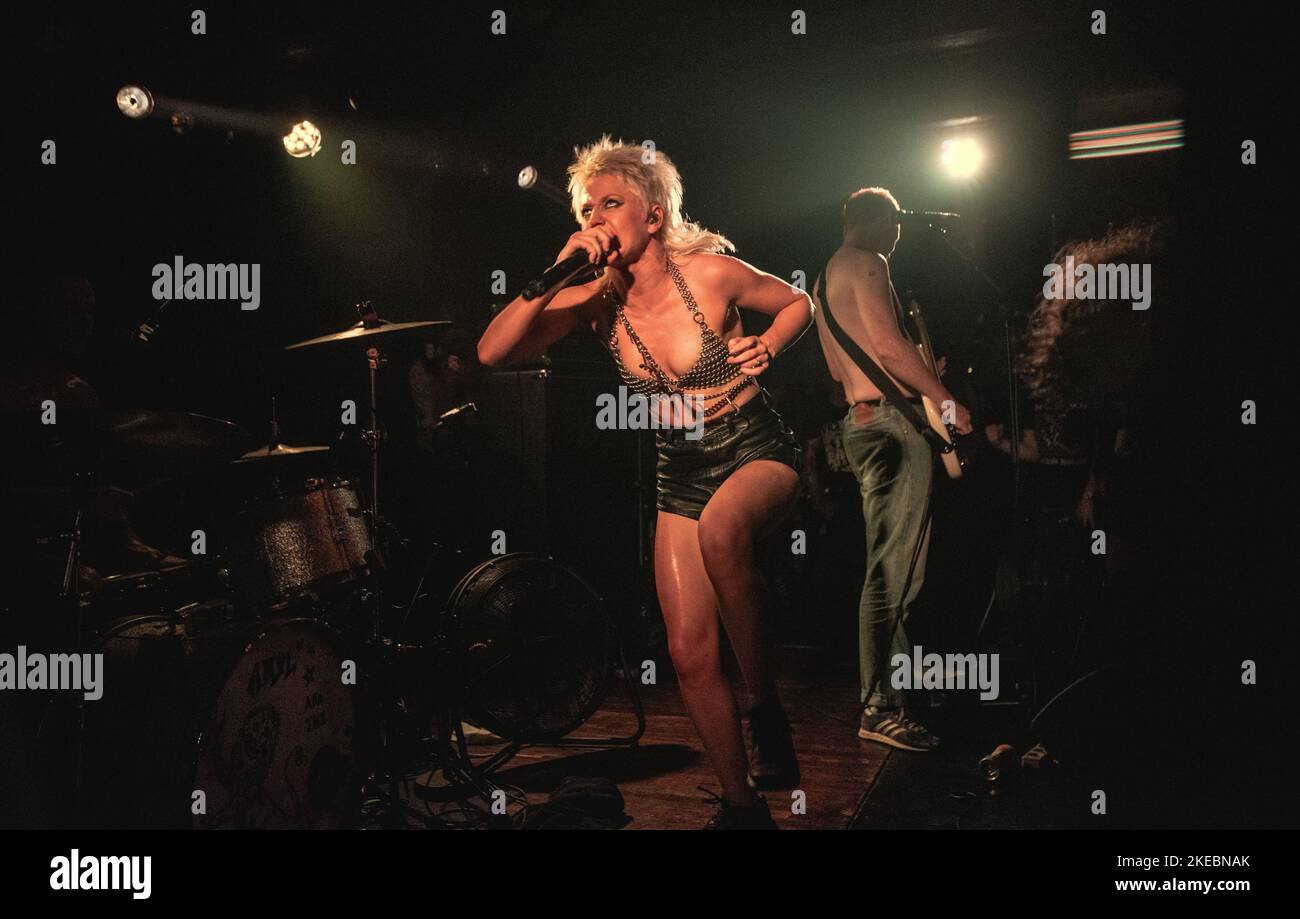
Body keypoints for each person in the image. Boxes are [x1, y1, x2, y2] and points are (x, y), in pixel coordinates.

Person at [478, 136, 812, 828]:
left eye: (612, 203)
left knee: (724, 534)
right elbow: (493, 349)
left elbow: (796, 301)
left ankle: (763, 705)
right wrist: (555, 271)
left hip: (754, 444)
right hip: (680, 466)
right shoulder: (596, 300)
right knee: (688, 651)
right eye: (586, 208)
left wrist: (770, 344)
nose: (597, 217)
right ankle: (741, 805)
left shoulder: (711, 272)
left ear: (653, 215)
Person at [812, 187, 972, 752]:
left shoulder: (823, 279)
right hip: (891, 427)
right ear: (879, 220)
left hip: (862, 425)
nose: (900, 236)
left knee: (891, 565)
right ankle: (880, 707)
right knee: (897, 574)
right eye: (897, 225)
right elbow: (887, 347)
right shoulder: (870, 262)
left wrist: (916, 371)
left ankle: (894, 695)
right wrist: (943, 396)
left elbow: (839, 365)